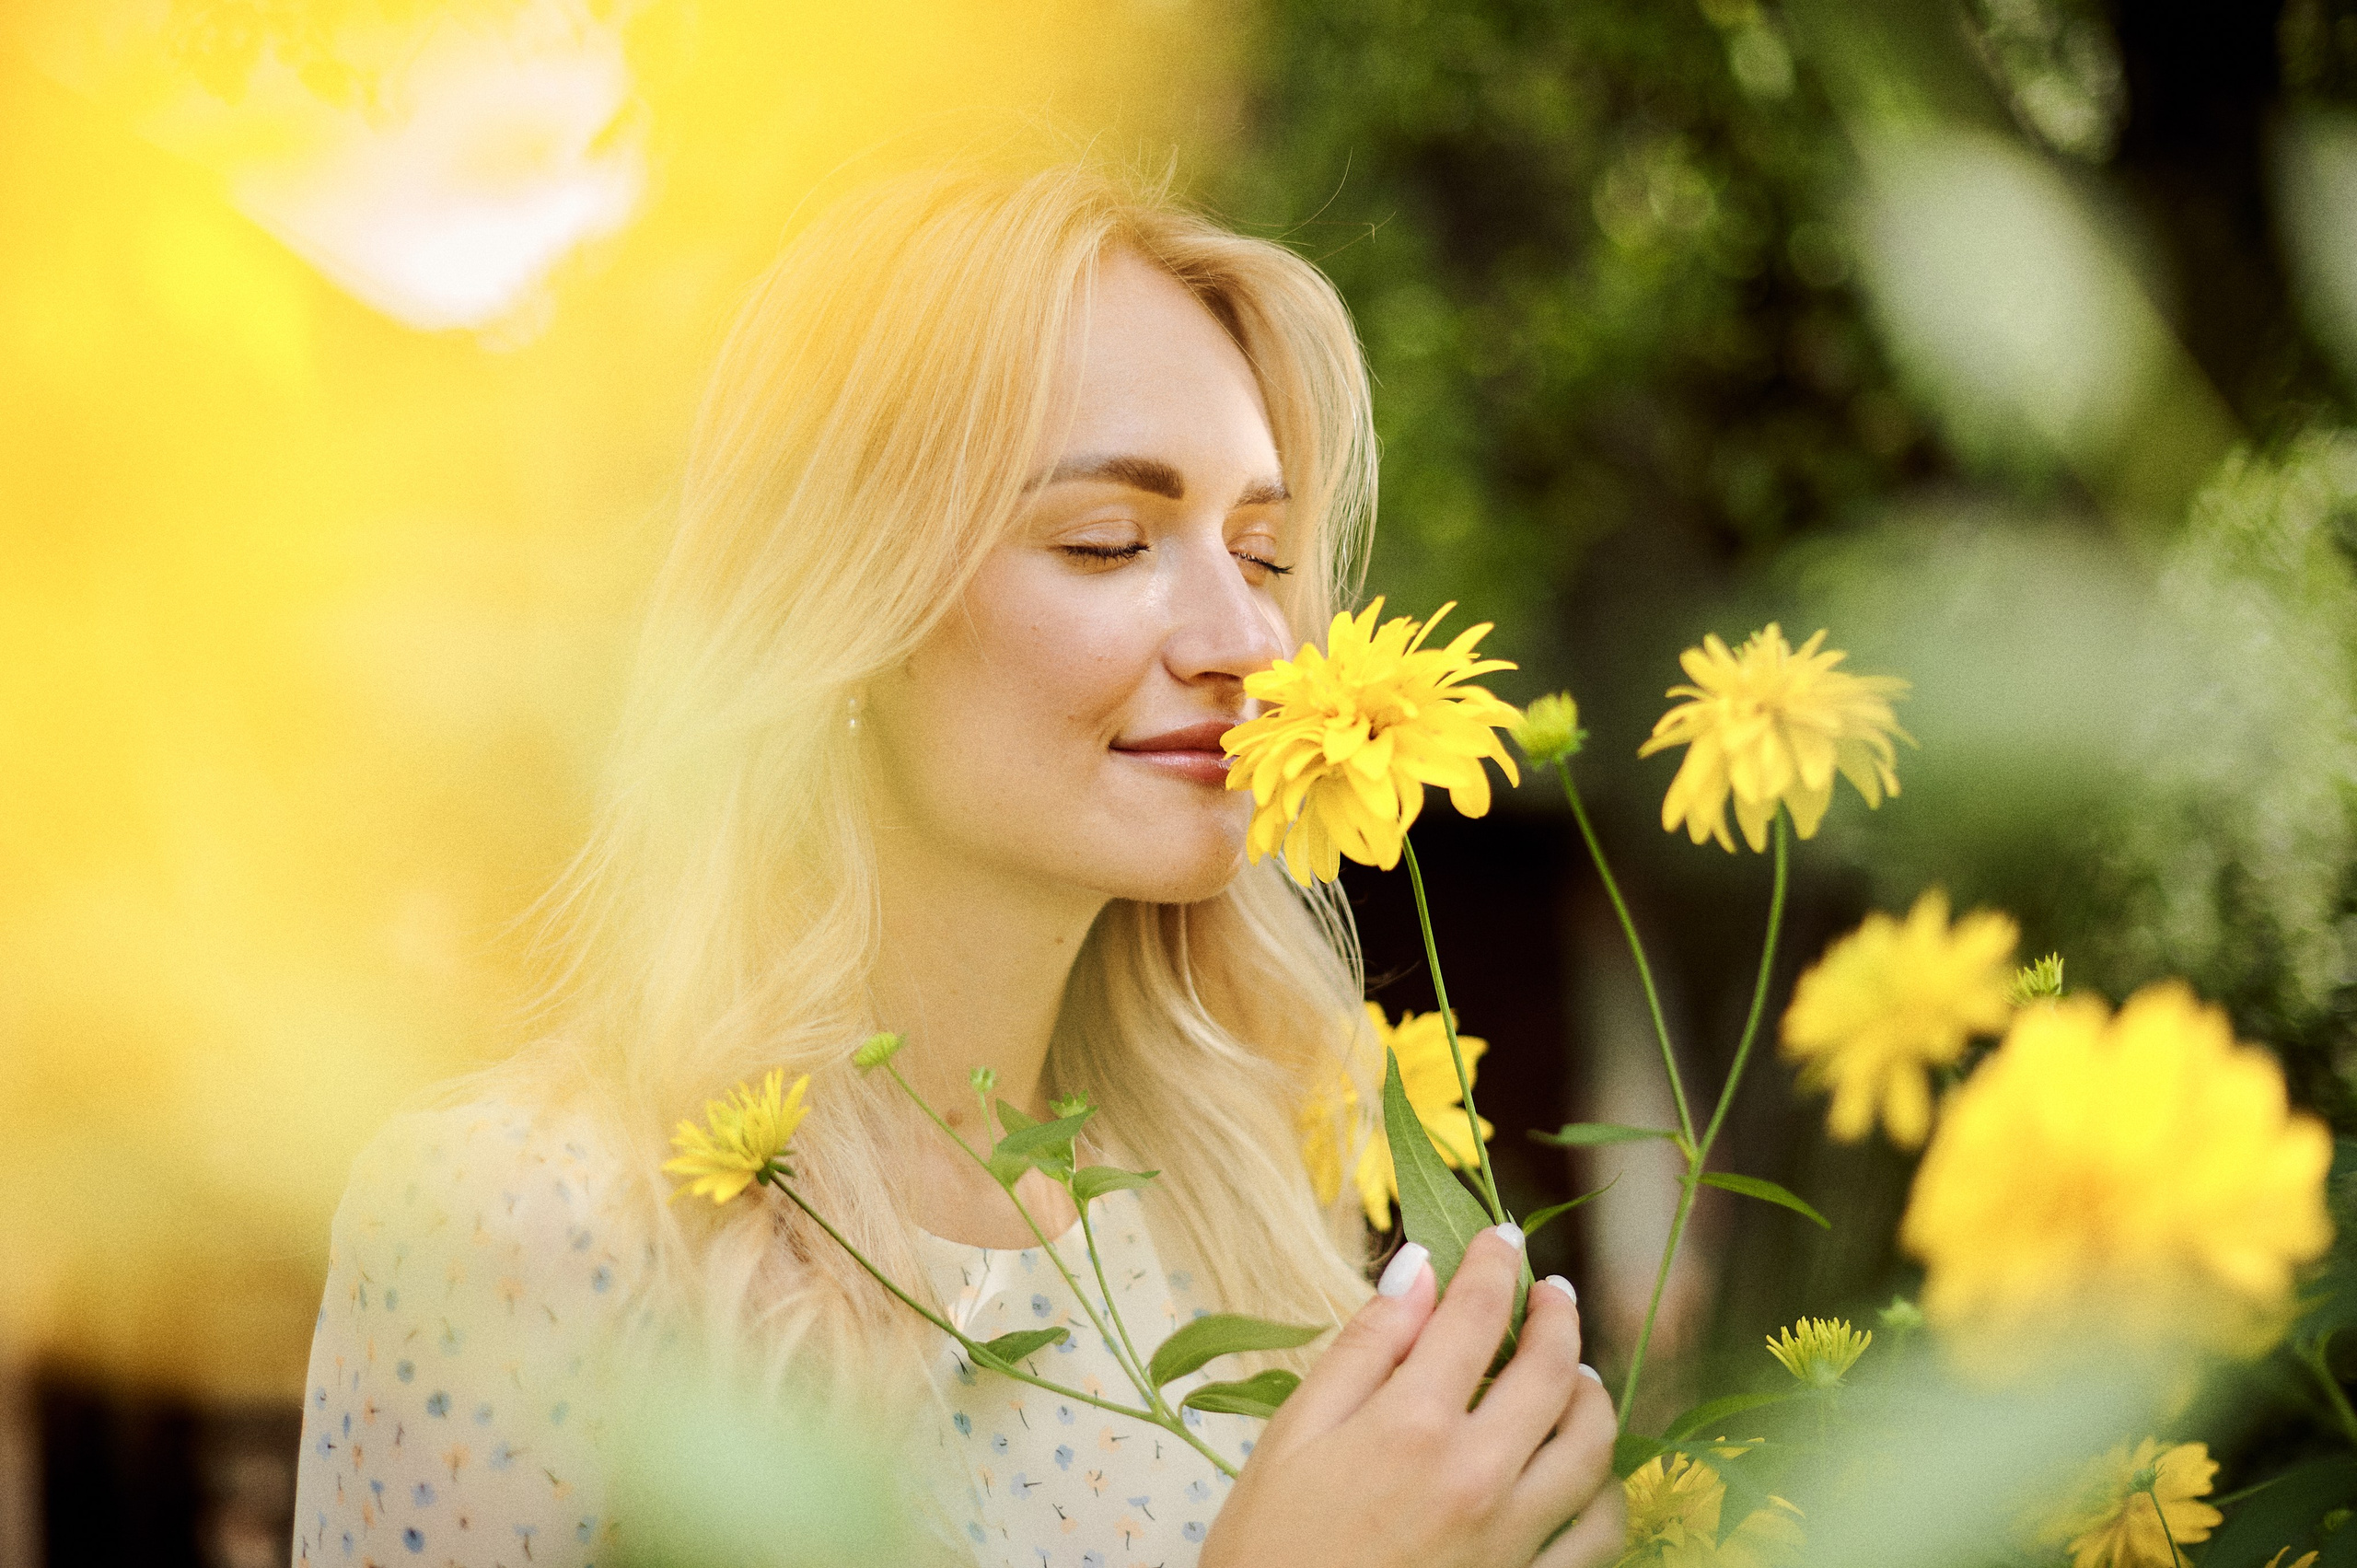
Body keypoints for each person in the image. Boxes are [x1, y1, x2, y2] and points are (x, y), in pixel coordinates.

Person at [291, 160, 1623, 1568]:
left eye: (1266, 550)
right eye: (1109, 541)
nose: (1247, 639)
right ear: (850, 607)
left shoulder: (1246, 1193)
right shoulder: (526, 1224)